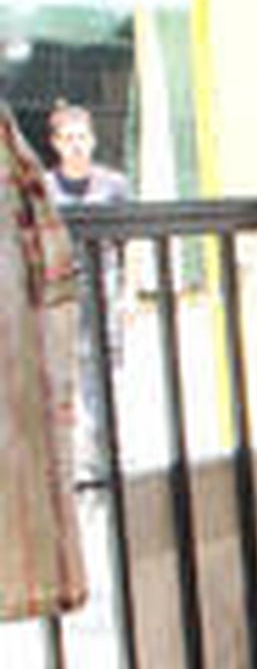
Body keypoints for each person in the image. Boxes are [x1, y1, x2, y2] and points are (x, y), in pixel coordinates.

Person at [44, 102, 130, 472]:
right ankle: (70, 455)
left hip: (104, 287)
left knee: (102, 369)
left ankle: (107, 449)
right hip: (61, 289)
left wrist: (130, 293)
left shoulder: (114, 185)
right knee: (64, 367)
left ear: (92, 141)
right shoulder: (46, 189)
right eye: (68, 138)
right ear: (56, 144)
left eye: (82, 137)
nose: (76, 145)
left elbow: (135, 241)